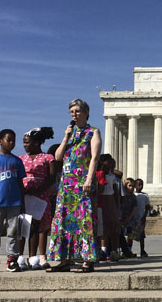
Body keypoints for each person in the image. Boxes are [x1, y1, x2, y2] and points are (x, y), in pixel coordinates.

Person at [46, 99, 101, 273]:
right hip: (67, 184)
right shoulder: (70, 134)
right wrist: (65, 137)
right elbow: (58, 157)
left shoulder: (93, 132)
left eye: (77, 111)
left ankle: (87, 261)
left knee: (84, 221)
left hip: (82, 183)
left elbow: (94, 158)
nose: (74, 115)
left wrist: (89, 179)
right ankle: (64, 260)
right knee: (62, 222)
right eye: (72, 112)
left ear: (86, 112)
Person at [0, 129, 25, 273]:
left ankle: (12, 259)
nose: (11, 143)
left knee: (13, 232)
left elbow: (20, 183)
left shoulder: (17, 161)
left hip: (15, 202)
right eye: (8, 140)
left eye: (13, 140)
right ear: (0, 141)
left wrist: (23, 203)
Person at [19, 127, 56, 270]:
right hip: (24, 194)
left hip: (41, 196)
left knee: (38, 226)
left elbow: (52, 177)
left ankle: (35, 257)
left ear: (36, 143)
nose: (24, 145)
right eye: (24, 142)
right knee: (23, 225)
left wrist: (40, 189)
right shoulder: (21, 158)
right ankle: (20, 256)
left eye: (27, 142)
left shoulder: (48, 158)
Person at [94, 154, 123, 262]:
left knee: (114, 226)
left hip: (110, 201)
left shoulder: (111, 175)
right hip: (101, 201)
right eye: (108, 163)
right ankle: (103, 250)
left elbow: (116, 190)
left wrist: (117, 204)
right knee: (103, 227)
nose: (110, 165)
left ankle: (114, 251)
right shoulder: (98, 174)